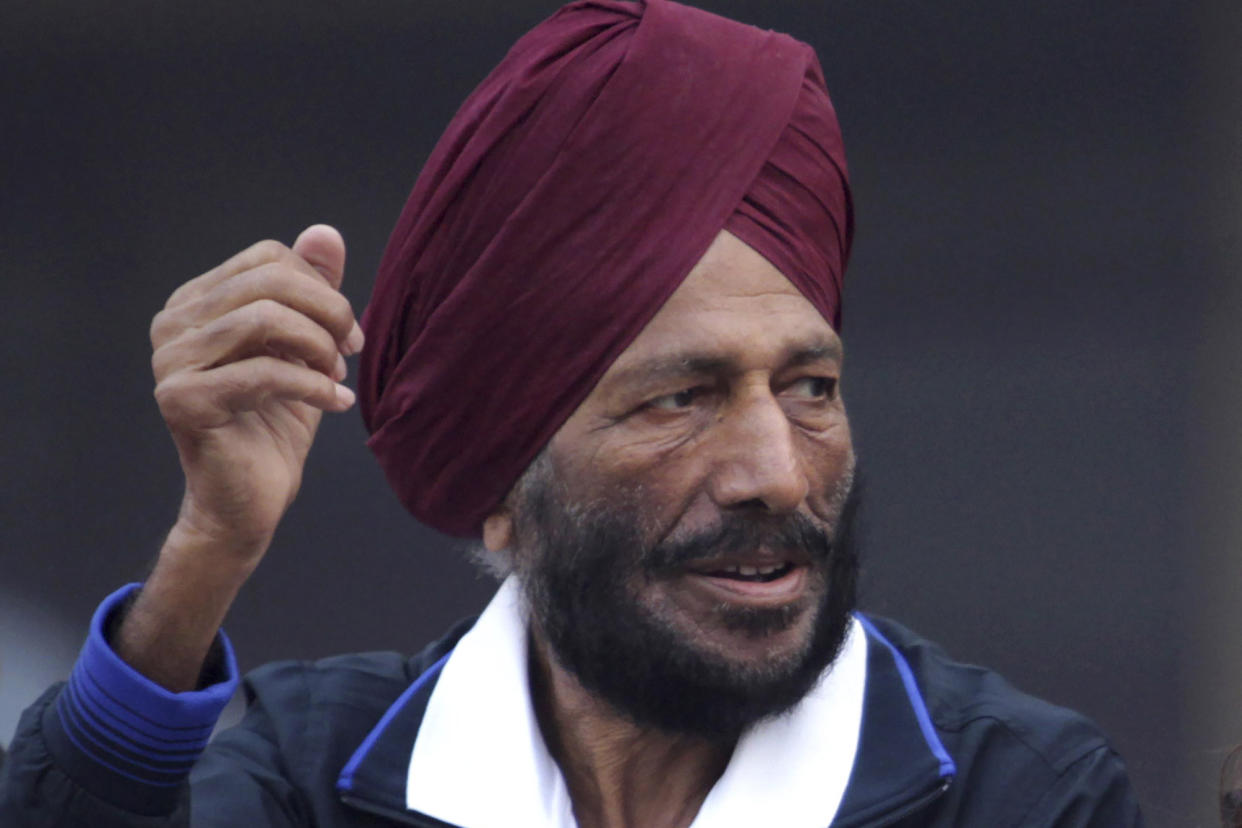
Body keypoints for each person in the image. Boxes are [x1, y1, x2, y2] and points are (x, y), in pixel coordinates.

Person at [0, 0, 1143, 825]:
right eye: (682, 399)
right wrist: (208, 553)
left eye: (811, 389)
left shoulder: (1019, 792)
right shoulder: (308, 775)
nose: (777, 474)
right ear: (503, 493)